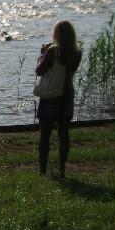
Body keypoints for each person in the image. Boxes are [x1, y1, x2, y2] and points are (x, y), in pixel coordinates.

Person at [35, 20, 82, 178]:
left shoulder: (53, 51)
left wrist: (43, 54)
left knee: (45, 135)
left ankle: (43, 171)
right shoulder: (77, 52)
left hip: (51, 96)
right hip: (67, 94)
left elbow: (39, 71)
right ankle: (62, 169)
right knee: (64, 134)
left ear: (57, 34)